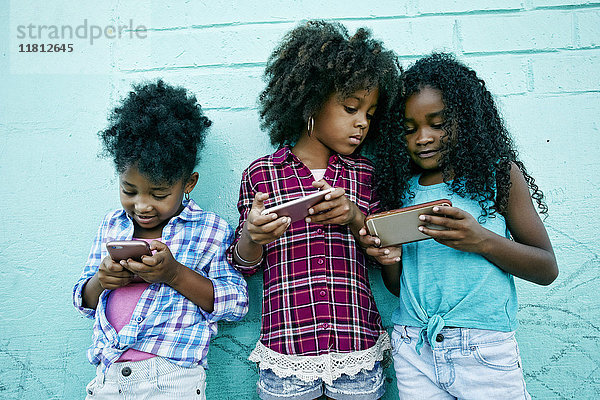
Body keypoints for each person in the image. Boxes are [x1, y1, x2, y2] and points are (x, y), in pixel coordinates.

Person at [368, 52, 559, 399]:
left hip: (484, 349)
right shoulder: (400, 189)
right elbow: (399, 288)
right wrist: (389, 259)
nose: (422, 138)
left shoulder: (499, 177)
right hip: (414, 346)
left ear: (467, 119)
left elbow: (546, 268)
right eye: (409, 130)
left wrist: (480, 240)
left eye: (437, 124)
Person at [228, 20, 400, 400]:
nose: (362, 123)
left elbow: (385, 254)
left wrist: (354, 217)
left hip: (355, 346)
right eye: (351, 107)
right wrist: (252, 236)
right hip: (286, 350)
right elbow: (243, 264)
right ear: (309, 101)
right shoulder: (262, 174)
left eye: (370, 114)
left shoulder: (366, 175)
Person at [73, 80, 248, 399]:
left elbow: (236, 303)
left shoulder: (208, 230)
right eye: (129, 190)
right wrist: (102, 280)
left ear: (188, 183)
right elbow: (82, 301)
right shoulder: (112, 225)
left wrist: (174, 274)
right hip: (109, 376)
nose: (142, 205)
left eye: (159, 194)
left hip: (171, 379)